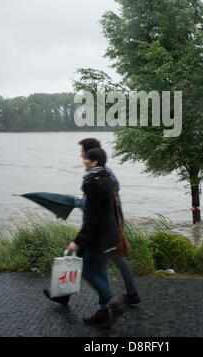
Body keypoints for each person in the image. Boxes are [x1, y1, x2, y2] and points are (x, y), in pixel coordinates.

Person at [61, 148, 126, 325]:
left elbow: (92, 218)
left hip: (99, 238)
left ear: (94, 162)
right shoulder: (108, 180)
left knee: (89, 272)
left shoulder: (93, 184)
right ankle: (103, 313)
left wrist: (77, 241)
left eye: (86, 159)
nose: (84, 161)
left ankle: (113, 302)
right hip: (110, 235)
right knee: (100, 273)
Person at [77, 138, 141, 306]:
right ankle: (64, 294)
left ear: (90, 153)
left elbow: (112, 191)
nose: (81, 154)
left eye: (83, 152)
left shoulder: (102, 173)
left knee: (109, 260)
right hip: (101, 225)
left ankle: (111, 301)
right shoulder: (95, 173)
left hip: (103, 226)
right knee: (85, 259)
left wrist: (89, 203)